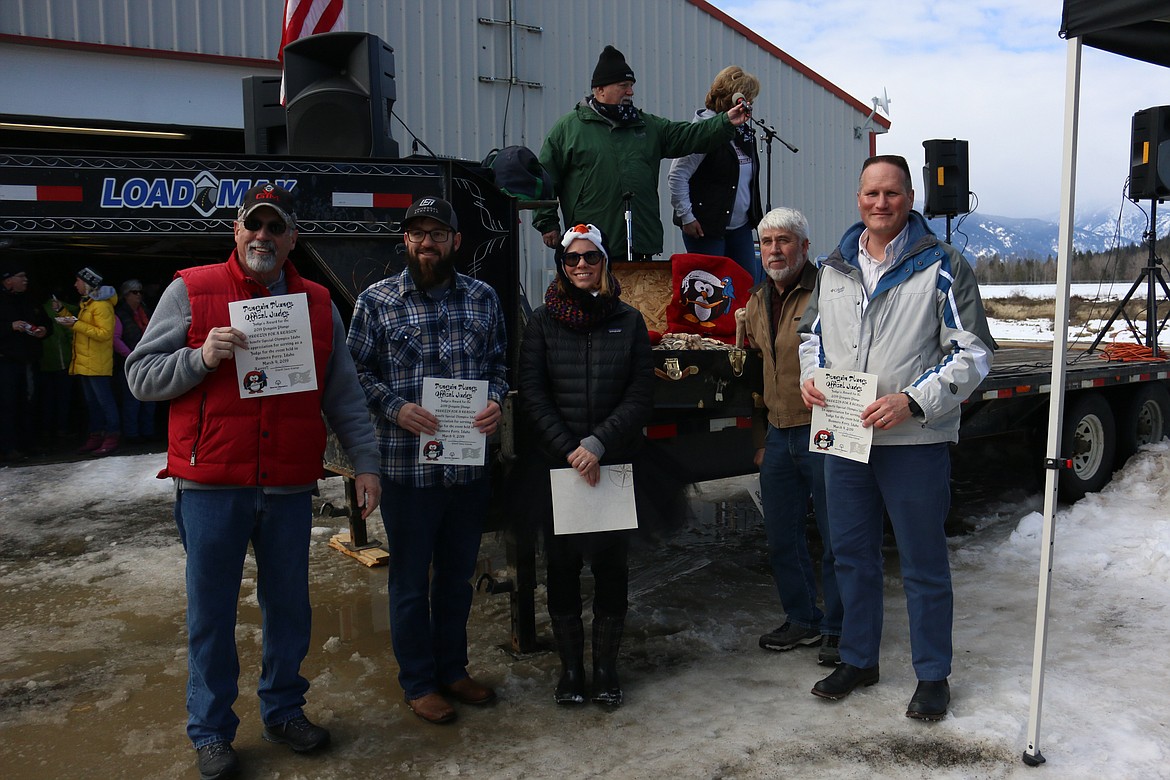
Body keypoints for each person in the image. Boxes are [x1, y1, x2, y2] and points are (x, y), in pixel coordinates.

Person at [125, 183, 382, 780]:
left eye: (276, 228)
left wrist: (365, 463)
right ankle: (212, 731)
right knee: (211, 614)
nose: (263, 237)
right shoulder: (191, 289)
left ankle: (284, 711)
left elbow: (342, 393)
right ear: (236, 233)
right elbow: (140, 376)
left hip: (289, 485)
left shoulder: (317, 303)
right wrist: (199, 357)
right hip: (213, 484)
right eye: (253, 226)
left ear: (293, 239)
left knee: (289, 606)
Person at [797, 155, 995, 721]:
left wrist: (913, 400)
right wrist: (812, 379)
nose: (879, 203)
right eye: (870, 193)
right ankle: (859, 658)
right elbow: (812, 337)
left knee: (922, 562)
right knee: (851, 555)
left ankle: (933, 674)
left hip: (914, 441)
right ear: (857, 198)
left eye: (891, 193)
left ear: (909, 197)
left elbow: (974, 353)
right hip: (844, 437)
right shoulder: (834, 268)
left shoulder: (942, 265)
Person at [347, 196, 508, 726]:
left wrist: (496, 403)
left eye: (437, 233)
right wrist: (396, 407)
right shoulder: (376, 302)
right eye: (417, 233)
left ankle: (453, 669)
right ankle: (418, 682)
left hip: (467, 468)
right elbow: (354, 373)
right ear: (406, 241)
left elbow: (499, 363)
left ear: (456, 241)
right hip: (407, 472)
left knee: (458, 578)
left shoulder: (484, 299)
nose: (427, 243)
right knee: (411, 582)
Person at [517, 223, 654, 707]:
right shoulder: (541, 322)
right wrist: (569, 448)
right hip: (558, 467)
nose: (580, 265)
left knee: (612, 567)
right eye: (571, 259)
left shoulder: (629, 321)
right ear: (561, 265)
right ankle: (571, 670)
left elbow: (640, 394)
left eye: (589, 258)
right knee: (562, 566)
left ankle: (606, 668)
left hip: (612, 463)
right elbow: (532, 394)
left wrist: (598, 443)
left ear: (605, 263)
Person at [739, 208, 842, 664]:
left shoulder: (831, 292)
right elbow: (761, 371)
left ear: (804, 246)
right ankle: (802, 620)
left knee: (837, 537)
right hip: (780, 436)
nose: (775, 250)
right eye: (767, 242)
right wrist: (762, 438)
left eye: (785, 241)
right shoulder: (758, 300)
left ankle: (840, 628)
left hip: (823, 430)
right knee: (782, 535)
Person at [534, 45, 751, 261]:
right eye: (623, 86)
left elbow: (689, 135)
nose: (630, 92)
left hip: (639, 242)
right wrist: (547, 223)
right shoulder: (569, 128)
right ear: (600, 90)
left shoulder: (647, 126)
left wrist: (725, 121)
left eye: (631, 86)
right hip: (589, 245)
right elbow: (546, 177)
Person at [668, 66, 764, 282]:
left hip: (740, 228)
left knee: (747, 287)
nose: (751, 105)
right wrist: (687, 216)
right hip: (706, 229)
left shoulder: (743, 133)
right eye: (747, 99)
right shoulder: (703, 130)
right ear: (735, 99)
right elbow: (677, 175)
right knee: (711, 292)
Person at [58, 266, 121, 456]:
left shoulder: (101, 305)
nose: (75, 284)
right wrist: (62, 312)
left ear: (87, 283)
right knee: (92, 403)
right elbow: (83, 325)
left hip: (97, 362)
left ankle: (112, 435)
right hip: (85, 362)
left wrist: (75, 324)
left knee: (105, 402)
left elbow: (104, 334)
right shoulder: (88, 303)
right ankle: (96, 435)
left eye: (78, 281)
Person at [1, 263, 51, 461]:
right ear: (8, 280)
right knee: (8, 405)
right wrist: (9, 326)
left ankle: (29, 444)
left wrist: (44, 330)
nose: (25, 280)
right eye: (21, 276)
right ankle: (8, 447)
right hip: (6, 363)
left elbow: (46, 322)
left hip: (30, 361)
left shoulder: (30, 299)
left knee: (30, 404)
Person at [114, 278, 156, 442]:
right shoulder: (120, 314)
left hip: (148, 360)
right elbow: (116, 339)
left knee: (150, 398)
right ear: (125, 295)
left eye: (140, 292)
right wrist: (130, 355)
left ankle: (148, 431)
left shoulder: (145, 310)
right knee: (132, 400)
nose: (139, 295)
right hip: (129, 363)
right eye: (134, 292)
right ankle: (132, 434)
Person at [37, 289, 76, 440]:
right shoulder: (57, 310)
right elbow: (69, 333)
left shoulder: (39, 310)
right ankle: (61, 428)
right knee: (62, 398)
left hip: (43, 361)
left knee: (47, 398)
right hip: (62, 360)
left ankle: (46, 430)